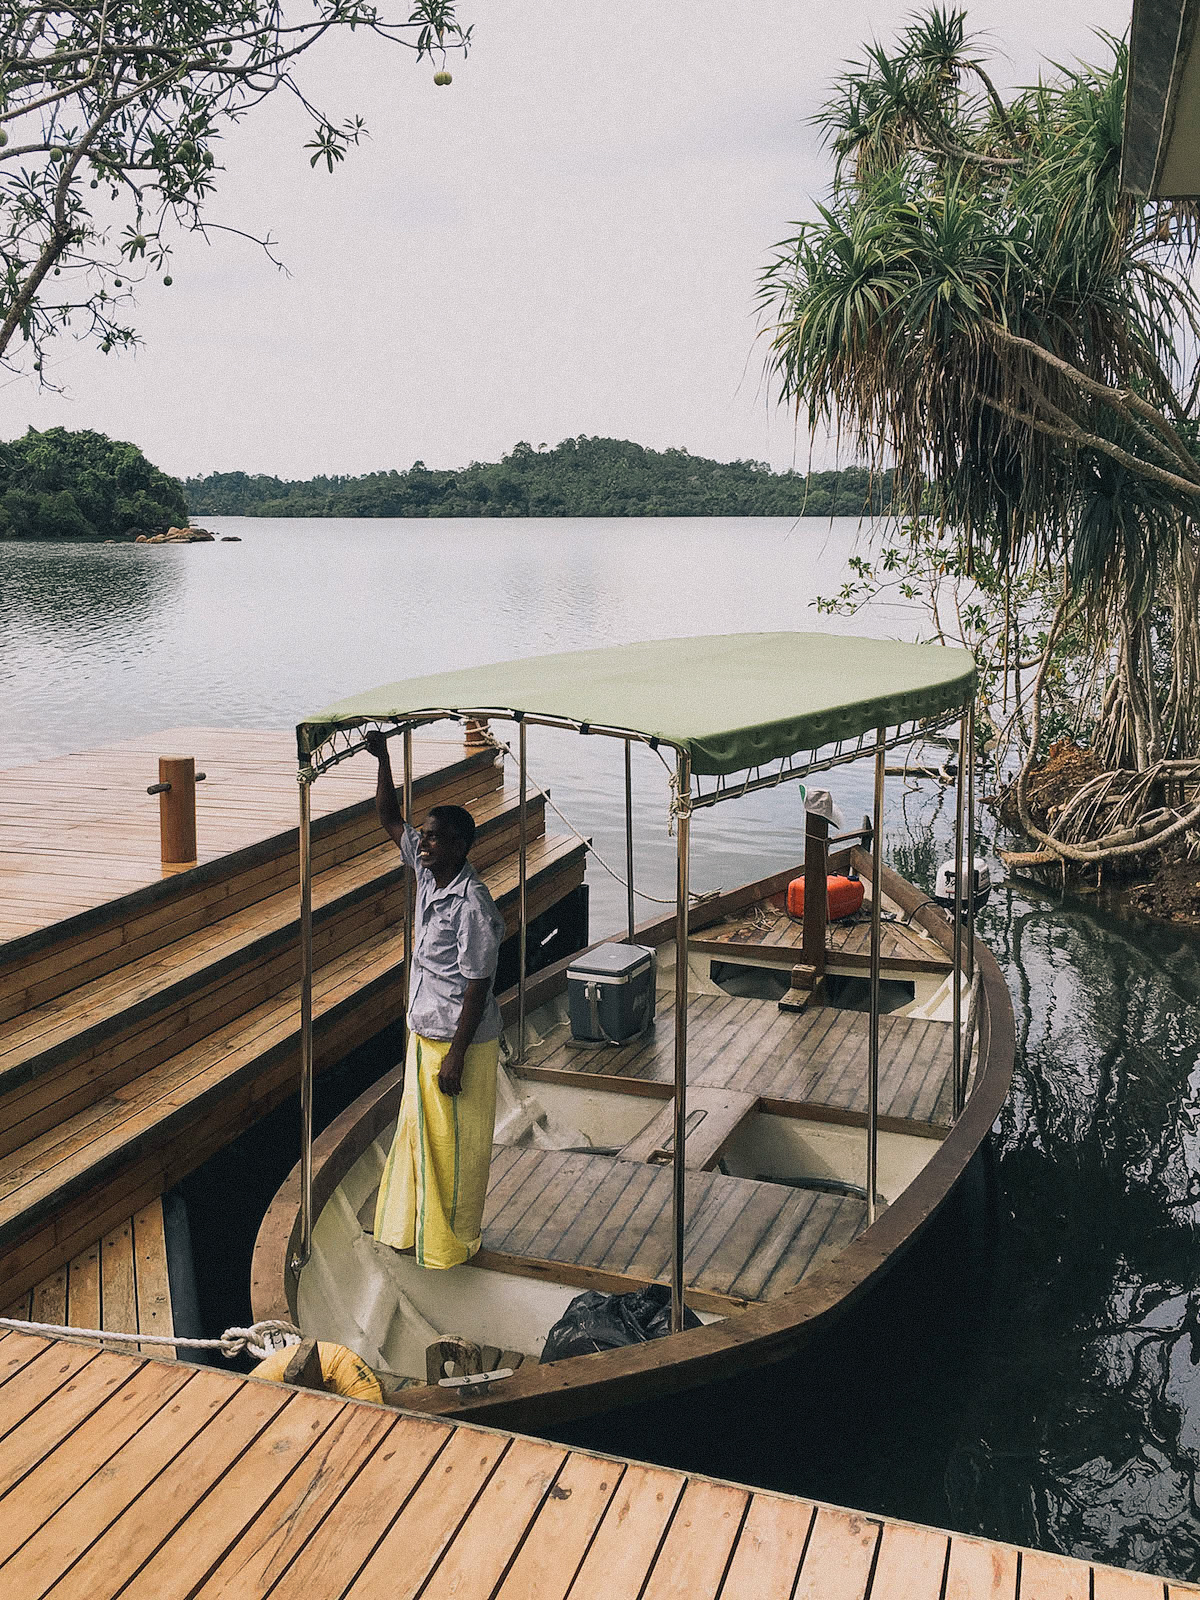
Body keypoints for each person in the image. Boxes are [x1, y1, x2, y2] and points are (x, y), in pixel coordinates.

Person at [365, 729, 506, 1269]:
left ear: (463, 846)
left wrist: (457, 1057)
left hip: (457, 1041)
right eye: (423, 836)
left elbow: (478, 984)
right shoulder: (427, 874)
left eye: (435, 838)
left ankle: (455, 1243)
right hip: (424, 1032)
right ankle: (412, 1229)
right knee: (417, 1140)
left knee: (454, 1153)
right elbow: (387, 817)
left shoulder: (473, 903)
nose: (422, 844)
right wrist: (382, 761)